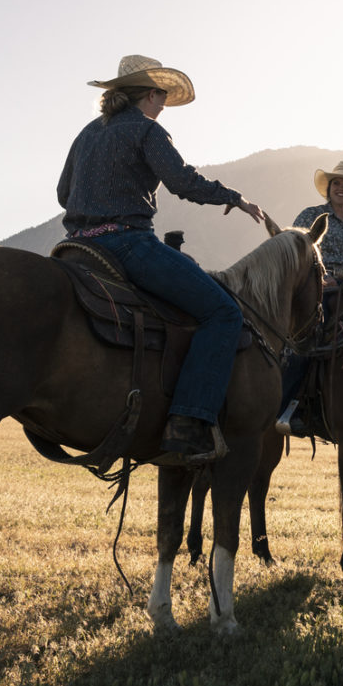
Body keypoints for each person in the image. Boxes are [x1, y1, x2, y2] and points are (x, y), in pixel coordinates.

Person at [57, 54, 265, 466]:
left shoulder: (86, 133)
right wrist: (233, 198)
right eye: (163, 97)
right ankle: (188, 420)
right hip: (126, 244)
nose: (164, 105)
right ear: (150, 94)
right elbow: (182, 181)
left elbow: (64, 193)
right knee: (223, 313)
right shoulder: (148, 130)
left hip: (75, 247)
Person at [277, 161, 343, 435]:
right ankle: (287, 406)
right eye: (337, 184)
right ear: (329, 189)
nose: (341, 189)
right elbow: (293, 254)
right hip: (314, 291)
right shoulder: (311, 215)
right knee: (307, 338)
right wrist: (323, 279)